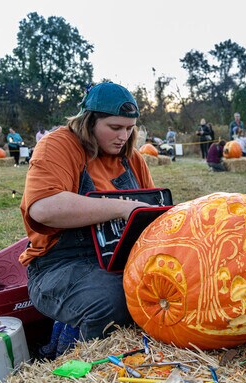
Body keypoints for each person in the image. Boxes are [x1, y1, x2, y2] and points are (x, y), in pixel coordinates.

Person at [20, 82, 156, 347]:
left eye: (129, 129)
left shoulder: (133, 159)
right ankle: (75, 362)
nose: (123, 136)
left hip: (117, 259)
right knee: (114, 299)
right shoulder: (58, 145)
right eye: (115, 128)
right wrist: (123, 207)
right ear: (89, 121)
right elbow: (44, 208)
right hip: (58, 265)